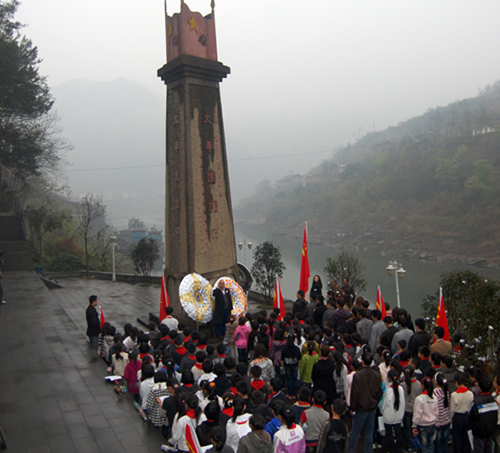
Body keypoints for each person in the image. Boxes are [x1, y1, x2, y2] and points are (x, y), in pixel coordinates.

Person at [347, 352, 383, 453]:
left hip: (361, 408)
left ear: (362, 361)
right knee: (369, 432)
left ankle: (351, 450)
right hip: (372, 407)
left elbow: (354, 393)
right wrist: (375, 401)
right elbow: (379, 391)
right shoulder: (376, 374)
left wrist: (353, 407)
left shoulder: (358, 375)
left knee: (355, 431)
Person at [469, 378, 498, 453]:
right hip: (490, 431)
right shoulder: (493, 400)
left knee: (479, 450)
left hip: (479, 433)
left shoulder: (477, 401)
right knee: (488, 450)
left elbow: (471, 416)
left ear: (479, 387)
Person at [381, 369, 405, 453]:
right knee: (398, 433)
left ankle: (392, 449)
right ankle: (399, 449)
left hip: (388, 417)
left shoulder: (388, 391)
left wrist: (382, 411)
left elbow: (384, 405)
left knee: (389, 434)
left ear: (389, 378)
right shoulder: (401, 389)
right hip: (398, 416)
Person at [412, 377, 438, 453]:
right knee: (430, 444)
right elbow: (437, 412)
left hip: (423, 425)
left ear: (422, 386)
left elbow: (417, 414)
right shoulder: (434, 398)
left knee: (424, 446)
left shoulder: (419, 399)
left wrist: (414, 425)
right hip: (432, 424)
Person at [434, 373, 451, 453]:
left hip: (438, 422)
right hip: (447, 420)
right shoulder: (446, 391)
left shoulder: (435, 393)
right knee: (444, 441)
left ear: (436, 382)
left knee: (438, 442)